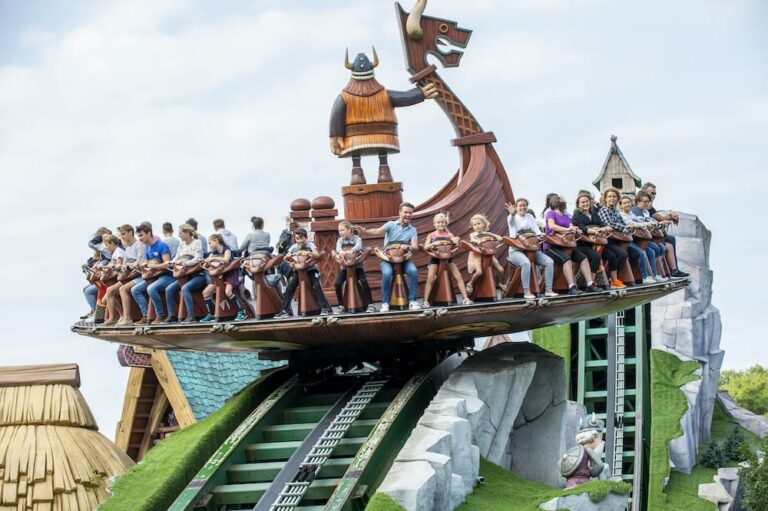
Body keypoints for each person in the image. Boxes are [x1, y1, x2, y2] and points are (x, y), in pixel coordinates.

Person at [357, 202, 421, 312]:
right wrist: (365, 231)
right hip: (388, 257)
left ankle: (412, 301)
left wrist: (408, 246)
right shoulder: (391, 224)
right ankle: (385, 303)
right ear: (400, 212)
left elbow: (415, 247)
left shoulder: (413, 230)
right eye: (406, 212)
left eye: (410, 213)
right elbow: (377, 231)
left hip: (403, 258)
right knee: (387, 273)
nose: (408, 215)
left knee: (413, 271)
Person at [598, 188, 657, 285]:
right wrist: (625, 228)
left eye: (614, 197)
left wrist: (625, 227)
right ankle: (610, 277)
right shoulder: (604, 210)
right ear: (606, 199)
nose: (612, 199)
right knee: (622, 254)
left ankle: (635, 277)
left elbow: (620, 223)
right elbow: (610, 223)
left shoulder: (616, 211)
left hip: (618, 240)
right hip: (608, 241)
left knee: (636, 254)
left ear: (617, 199)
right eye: (610, 197)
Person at [543, 195, 600, 294]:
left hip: (565, 245)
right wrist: (567, 229)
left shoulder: (565, 215)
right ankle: (571, 287)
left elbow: (571, 226)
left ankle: (590, 284)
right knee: (567, 260)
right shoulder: (551, 213)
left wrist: (575, 229)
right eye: (560, 200)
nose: (563, 201)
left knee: (583, 258)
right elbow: (552, 226)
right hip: (552, 246)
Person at [571, 192, 629, 289]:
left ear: (590, 202)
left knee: (612, 256)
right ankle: (591, 284)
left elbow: (602, 224)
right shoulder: (577, 214)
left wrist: (606, 228)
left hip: (597, 243)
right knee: (596, 257)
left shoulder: (594, 214)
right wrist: (596, 231)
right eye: (582, 202)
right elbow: (582, 229)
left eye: (587, 201)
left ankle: (614, 281)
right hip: (583, 244)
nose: (585, 204)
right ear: (578, 204)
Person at [505, 198, 557, 299]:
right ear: (516, 207)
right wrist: (511, 214)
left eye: (524, 205)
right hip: (516, 251)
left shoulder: (529, 217)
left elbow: (536, 231)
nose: (522, 207)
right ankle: (527, 292)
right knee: (526, 262)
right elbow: (511, 223)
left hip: (531, 249)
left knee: (549, 262)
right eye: (520, 205)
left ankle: (548, 290)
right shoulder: (512, 217)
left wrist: (541, 235)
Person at [276, 228, 333, 318]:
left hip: (310, 269)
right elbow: (286, 257)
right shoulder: (294, 247)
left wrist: (310, 254)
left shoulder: (310, 245)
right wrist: (289, 256)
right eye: (297, 239)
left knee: (317, 285)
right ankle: (285, 311)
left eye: (301, 238)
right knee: (290, 288)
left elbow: (317, 254)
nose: (299, 241)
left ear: (306, 238)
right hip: (298, 270)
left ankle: (323, 308)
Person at [630, 191, 687, 278]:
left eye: (648, 201)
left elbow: (654, 220)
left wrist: (662, 221)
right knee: (658, 248)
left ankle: (659, 273)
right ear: (638, 201)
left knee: (661, 247)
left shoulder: (646, 211)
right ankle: (654, 274)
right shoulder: (636, 210)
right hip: (640, 239)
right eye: (644, 201)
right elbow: (641, 223)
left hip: (647, 237)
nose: (647, 203)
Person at [422, 213, 472, 307]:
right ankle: (425, 301)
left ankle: (465, 298)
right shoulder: (431, 235)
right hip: (435, 259)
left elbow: (456, 242)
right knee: (430, 278)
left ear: (445, 223)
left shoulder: (449, 234)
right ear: (434, 224)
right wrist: (436, 243)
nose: (440, 224)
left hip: (448, 258)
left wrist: (456, 240)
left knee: (458, 276)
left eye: (442, 222)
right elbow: (426, 247)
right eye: (438, 222)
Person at [129, 224, 175, 325]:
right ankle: (145, 315)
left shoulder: (161, 246)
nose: (139, 238)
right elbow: (147, 262)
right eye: (139, 236)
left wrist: (153, 265)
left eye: (141, 235)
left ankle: (160, 315)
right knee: (135, 290)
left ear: (149, 233)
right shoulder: (147, 247)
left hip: (167, 276)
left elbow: (167, 264)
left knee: (151, 288)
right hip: (153, 277)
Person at [199, 234, 248, 322]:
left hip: (230, 274)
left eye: (210, 243)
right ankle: (211, 314)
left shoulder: (226, 249)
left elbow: (226, 260)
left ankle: (241, 312)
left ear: (216, 241)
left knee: (228, 291)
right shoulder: (213, 253)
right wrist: (207, 262)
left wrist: (212, 260)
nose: (209, 245)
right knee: (205, 293)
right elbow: (207, 263)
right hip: (218, 275)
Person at [163, 224, 205, 323]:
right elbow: (177, 257)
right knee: (169, 289)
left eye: (181, 233)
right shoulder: (181, 244)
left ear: (187, 233)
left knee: (185, 288)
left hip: (197, 276)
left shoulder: (197, 242)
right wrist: (170, 263)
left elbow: (198, 258)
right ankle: (172, 314)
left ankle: (191, 316)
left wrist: (185, 263)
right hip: (184, 276)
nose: (179, 235)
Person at [333, 220, 375, 313]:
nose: (340, 233)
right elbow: (338, 248)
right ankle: (341, 305)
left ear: (349, 230)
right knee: (337, 284)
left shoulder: (357, 238)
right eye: (339, 231)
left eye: (342, 230)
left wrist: (352, 250)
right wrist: (341, 252)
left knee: (363, 281)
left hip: (357, 267)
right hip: (345, 268)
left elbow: (359, 246)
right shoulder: (340, 240)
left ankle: (370, 304)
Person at [466, 214, 505, 296]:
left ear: (483, 224)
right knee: (479, 272)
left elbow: (499, 237)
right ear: (472, 226)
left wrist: (498, 238)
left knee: (501, 270)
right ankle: (470, 283)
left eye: (478, 224)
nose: (477, 226)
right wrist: (477, 241)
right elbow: (473, 239)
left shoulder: (488, 233)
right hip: (477, 254)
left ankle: (498, 283)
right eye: (474, 225)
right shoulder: (473, 234)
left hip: (488, 254)